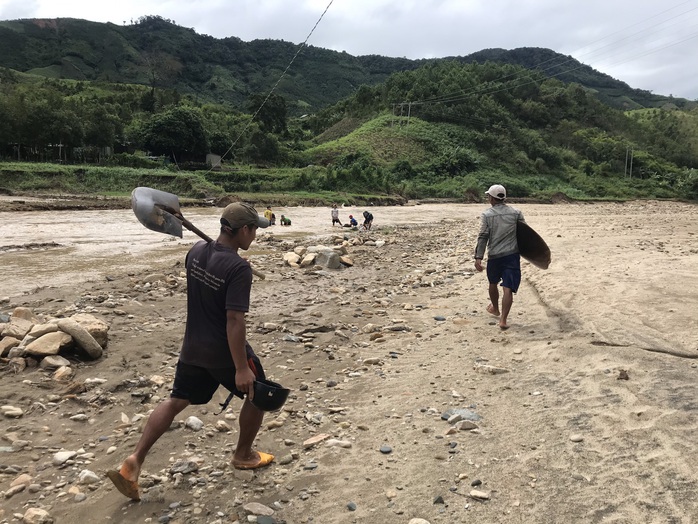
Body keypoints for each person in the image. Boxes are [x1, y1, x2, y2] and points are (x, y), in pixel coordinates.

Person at [107, 203, 273, 501]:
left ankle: (133, 461)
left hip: (192, 347)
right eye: (255, 230)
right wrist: (240, 368)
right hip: (223, 352)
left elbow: (214, 264)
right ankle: (243, 454)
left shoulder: (195, 251)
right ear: (243, 230)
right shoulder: (238, 269)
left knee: (175, 401)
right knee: (258, 393)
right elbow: (234, 320)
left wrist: (230, 258)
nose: (256, 236)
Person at [474, 184, 525, 330]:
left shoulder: (487, 215)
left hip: (495, 256)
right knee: (507, 288)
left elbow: (483, 236)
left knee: (493, 283)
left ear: (491, 197)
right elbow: (524, 234)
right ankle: (503, 320)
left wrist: (478, 257)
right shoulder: (516, 213)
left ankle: (495, 308)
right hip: (512, 255)